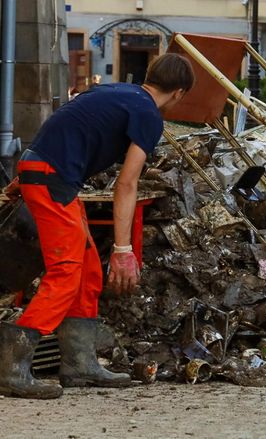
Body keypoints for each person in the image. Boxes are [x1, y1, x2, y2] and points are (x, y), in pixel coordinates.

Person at [0, 53, 195, 399]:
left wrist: (23, 178)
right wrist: (123, 250)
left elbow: (62, 127)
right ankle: (13, 367)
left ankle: (79, 363)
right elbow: (127, 184)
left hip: (42, 171)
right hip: (52, 178)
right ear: (179, 94)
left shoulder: (114, 93)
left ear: (150, 76)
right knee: (67, 268)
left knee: (88, 267)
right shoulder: (149, 114)